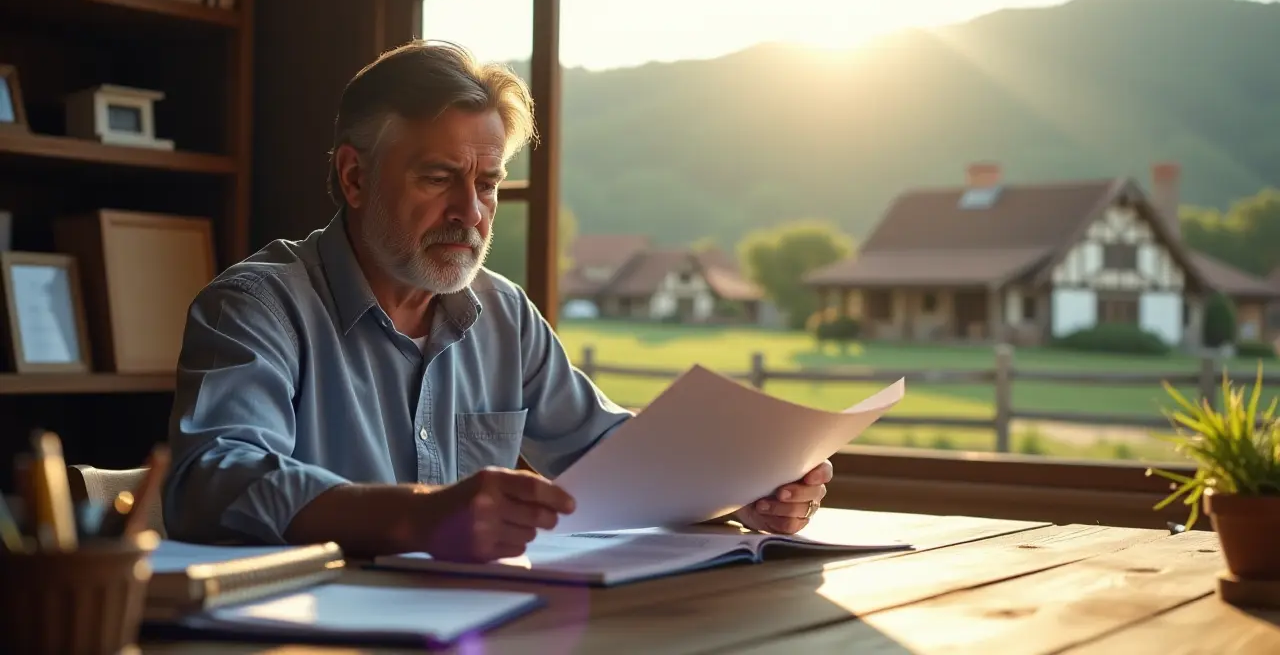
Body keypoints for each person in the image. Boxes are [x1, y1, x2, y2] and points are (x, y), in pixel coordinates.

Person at [162, 41, 832, 562]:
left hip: (480, 624)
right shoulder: (254, 306)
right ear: (355, 176)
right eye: (439, 178)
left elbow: (611, 459)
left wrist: (745, 486)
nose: (471, 213)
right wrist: (417, 514)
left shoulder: (504, 314)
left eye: (488, 183)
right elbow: (214, 480)